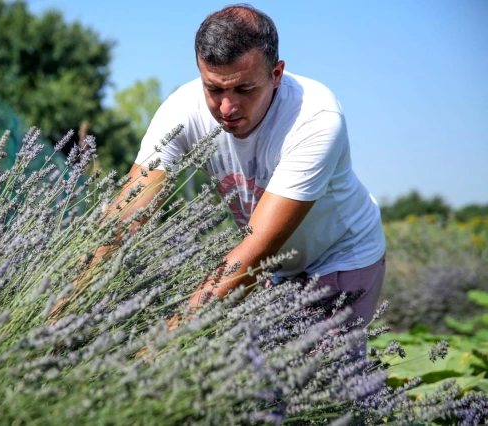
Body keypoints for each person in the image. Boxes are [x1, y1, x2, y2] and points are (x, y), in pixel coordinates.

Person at [52, 4, 386, 332]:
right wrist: (66, 305)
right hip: (276, 265)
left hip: (340, 256)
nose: (227, 107)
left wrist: (164, 342)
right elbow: (129, 211)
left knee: (324, 376)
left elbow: (255, 252)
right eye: (213, 88)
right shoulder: (182, 109)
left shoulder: (314, 117)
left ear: (276, 74)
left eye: (244, 89)